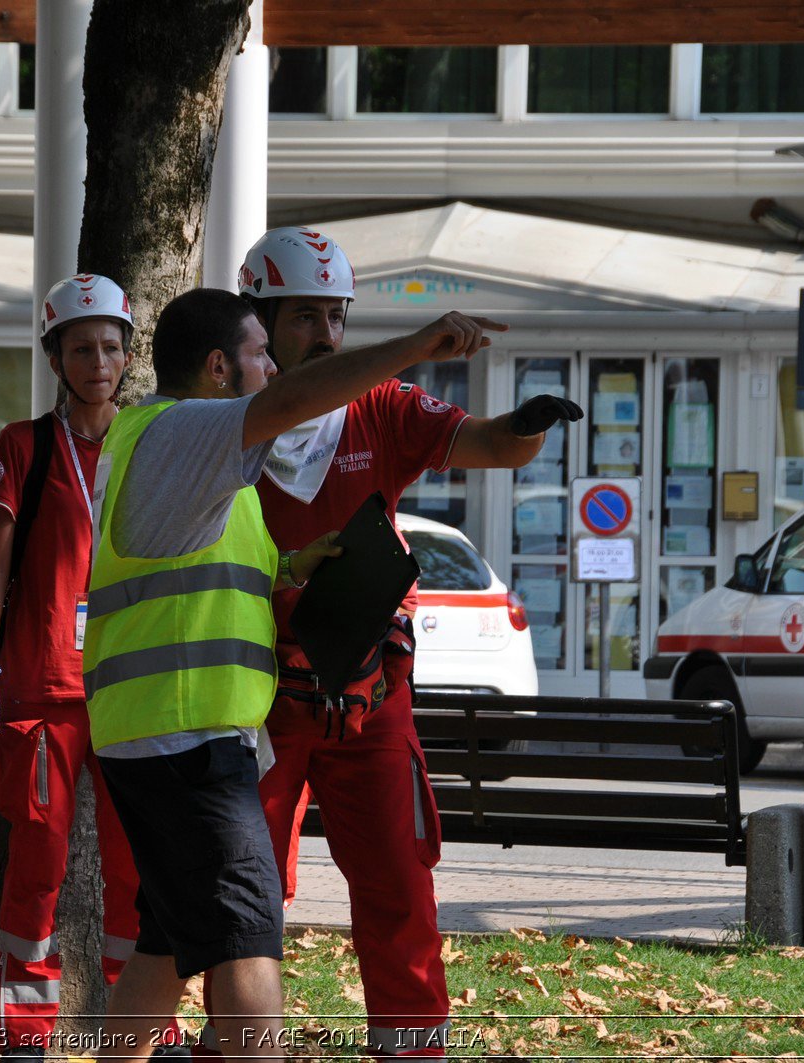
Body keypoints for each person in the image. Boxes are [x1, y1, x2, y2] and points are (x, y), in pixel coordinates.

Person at [189, 228, 581, 1059]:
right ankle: (233, 1045)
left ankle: (411, 1048)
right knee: (247, 894)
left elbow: (491, 444)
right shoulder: (222, 428)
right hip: (258, 697)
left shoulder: (384, 408)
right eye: (304, 317)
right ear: (257, 322)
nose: (328, 334)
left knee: (400, 885)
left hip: (370, 693)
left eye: (337, 315)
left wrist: (532, 422)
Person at [85, 287, 504, 1062]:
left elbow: (202, 563)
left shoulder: (170, 443)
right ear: (218, 369)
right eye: (261, 355)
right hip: (189, 739)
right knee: (248, 945)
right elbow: (304, 396)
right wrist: (413, 347)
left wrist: (290, 563)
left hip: (164, 735)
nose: (275, 370)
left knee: (169, 948)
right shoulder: (187, 431)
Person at [0, 275, 181, 1059]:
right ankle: (24, 1035)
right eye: (82, 347)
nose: (99, 360)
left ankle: (149, 1029)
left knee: (142, 870)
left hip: (134, 688)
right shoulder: (23, 446)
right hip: (45, 691)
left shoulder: (150, 437)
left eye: (112, 346)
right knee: (36, 870)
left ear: (129, 355)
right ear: (56, 356)